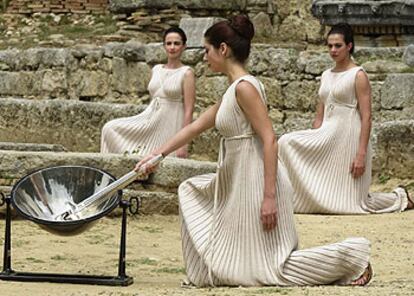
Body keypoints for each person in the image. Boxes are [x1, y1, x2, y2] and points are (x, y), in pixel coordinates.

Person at [136, 16, 372, 287]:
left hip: (257, 182)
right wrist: (158, 154)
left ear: (223, 49)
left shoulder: (246, 88)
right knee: (191, 192)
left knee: (272, 268)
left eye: (207, 50)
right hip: (238, 180)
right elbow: (197, 125)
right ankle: (210, 271)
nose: (204, 57)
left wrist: (268, 196)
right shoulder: (233, 90)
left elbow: (270, 139)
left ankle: (352, 257)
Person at [278, 23, 414, 214]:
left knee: (350, 201)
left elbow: (366, 117)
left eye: (338, 45)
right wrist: (314, 139)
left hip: (348, 135)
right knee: (285, 142)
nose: (333, 50)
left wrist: (361, 154)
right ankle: (291, 196)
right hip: (327, 133)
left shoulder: (358, 75)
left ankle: (399, 198)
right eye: (330, 46)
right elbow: (320, 113)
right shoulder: (326, 75)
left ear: (349, 46)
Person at [101, 27, 196, 158]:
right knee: (109, 128)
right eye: (168, 43)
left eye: (176, 43)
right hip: (151, 119)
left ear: (184, 46)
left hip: (171, 124)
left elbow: (189, 110)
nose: (172, 47)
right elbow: (153, 101)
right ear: (164, 46)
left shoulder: (187, 73)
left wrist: (183, 144)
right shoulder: (156, 69)